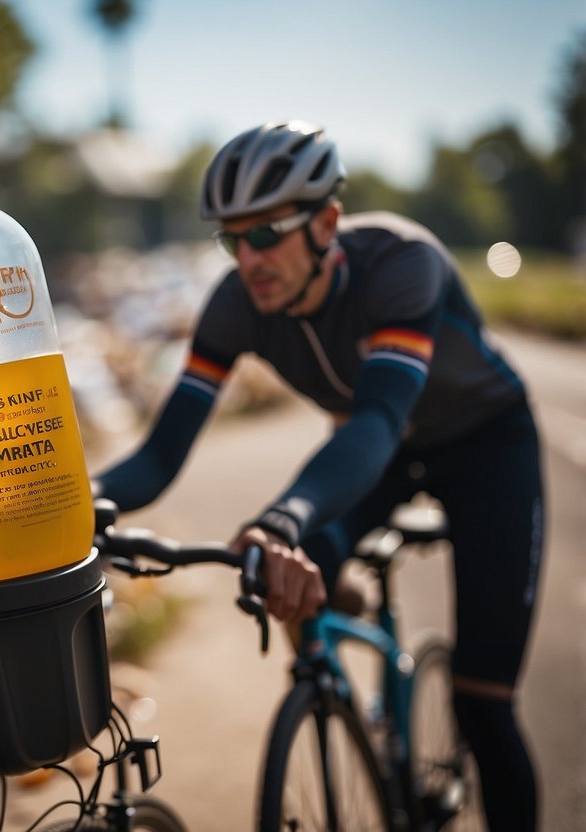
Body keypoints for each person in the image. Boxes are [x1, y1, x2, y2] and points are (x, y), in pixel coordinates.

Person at [94, 120, 543, 831]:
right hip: (380, 454)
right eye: (230, 239)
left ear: (326, 221)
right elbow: (159, 454)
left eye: (266, 234)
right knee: (289, 578)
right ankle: (334, 698)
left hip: (484, 443)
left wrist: (278, 519)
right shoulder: (235, 306)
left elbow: (375, 421)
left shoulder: (398, 263)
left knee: (481, 702)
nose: (248, 259)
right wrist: (71, 508)